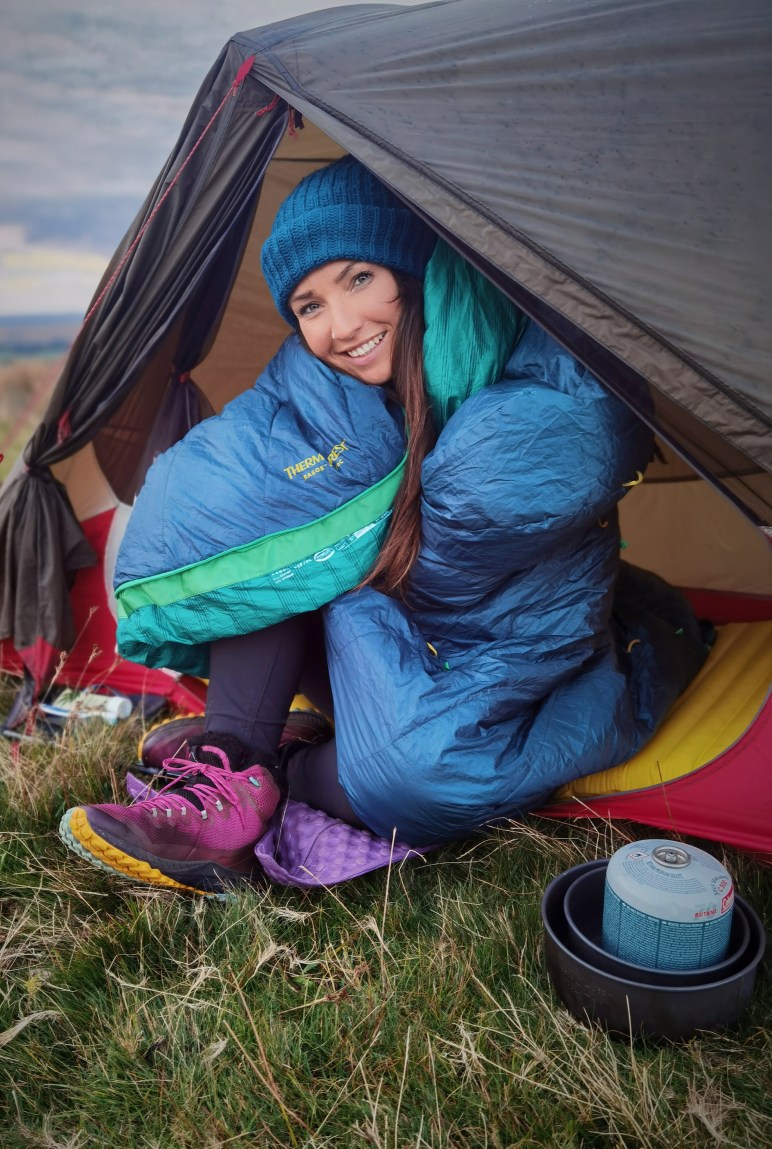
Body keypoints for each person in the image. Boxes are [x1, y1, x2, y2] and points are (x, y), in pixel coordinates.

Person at [59, 156, 709, 895]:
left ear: (413, 266)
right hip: (385, 637)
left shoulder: (513, 358)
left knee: (420, 780)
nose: (341, 327)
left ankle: (285, 763)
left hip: (503, 654)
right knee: (262, 529)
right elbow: (233, 485)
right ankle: (232, 771)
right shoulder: (331, 398)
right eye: (309, 306)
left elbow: (562, 441)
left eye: (359, 279)